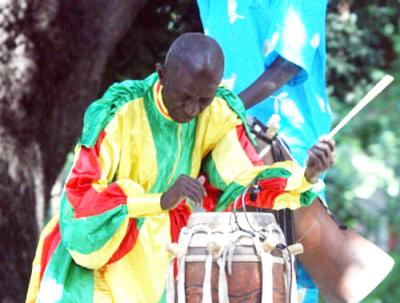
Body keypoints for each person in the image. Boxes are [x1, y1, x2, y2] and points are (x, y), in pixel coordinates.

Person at [26, 33, 334, 303]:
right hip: (95, 265)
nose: (191, 110)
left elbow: (245, 182)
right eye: (184, 97)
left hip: (161, 268)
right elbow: (79, 198)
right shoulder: (121, 109)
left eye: (203, 100)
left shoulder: (218, 114)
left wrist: (305, 176)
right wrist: (157, 201)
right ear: (162, 75)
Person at [196, 1, 332, 301]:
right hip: (224, 144)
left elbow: (288, 64)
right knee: (226, 268)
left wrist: (227, 109)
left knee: (289, 269)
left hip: (287, 144)